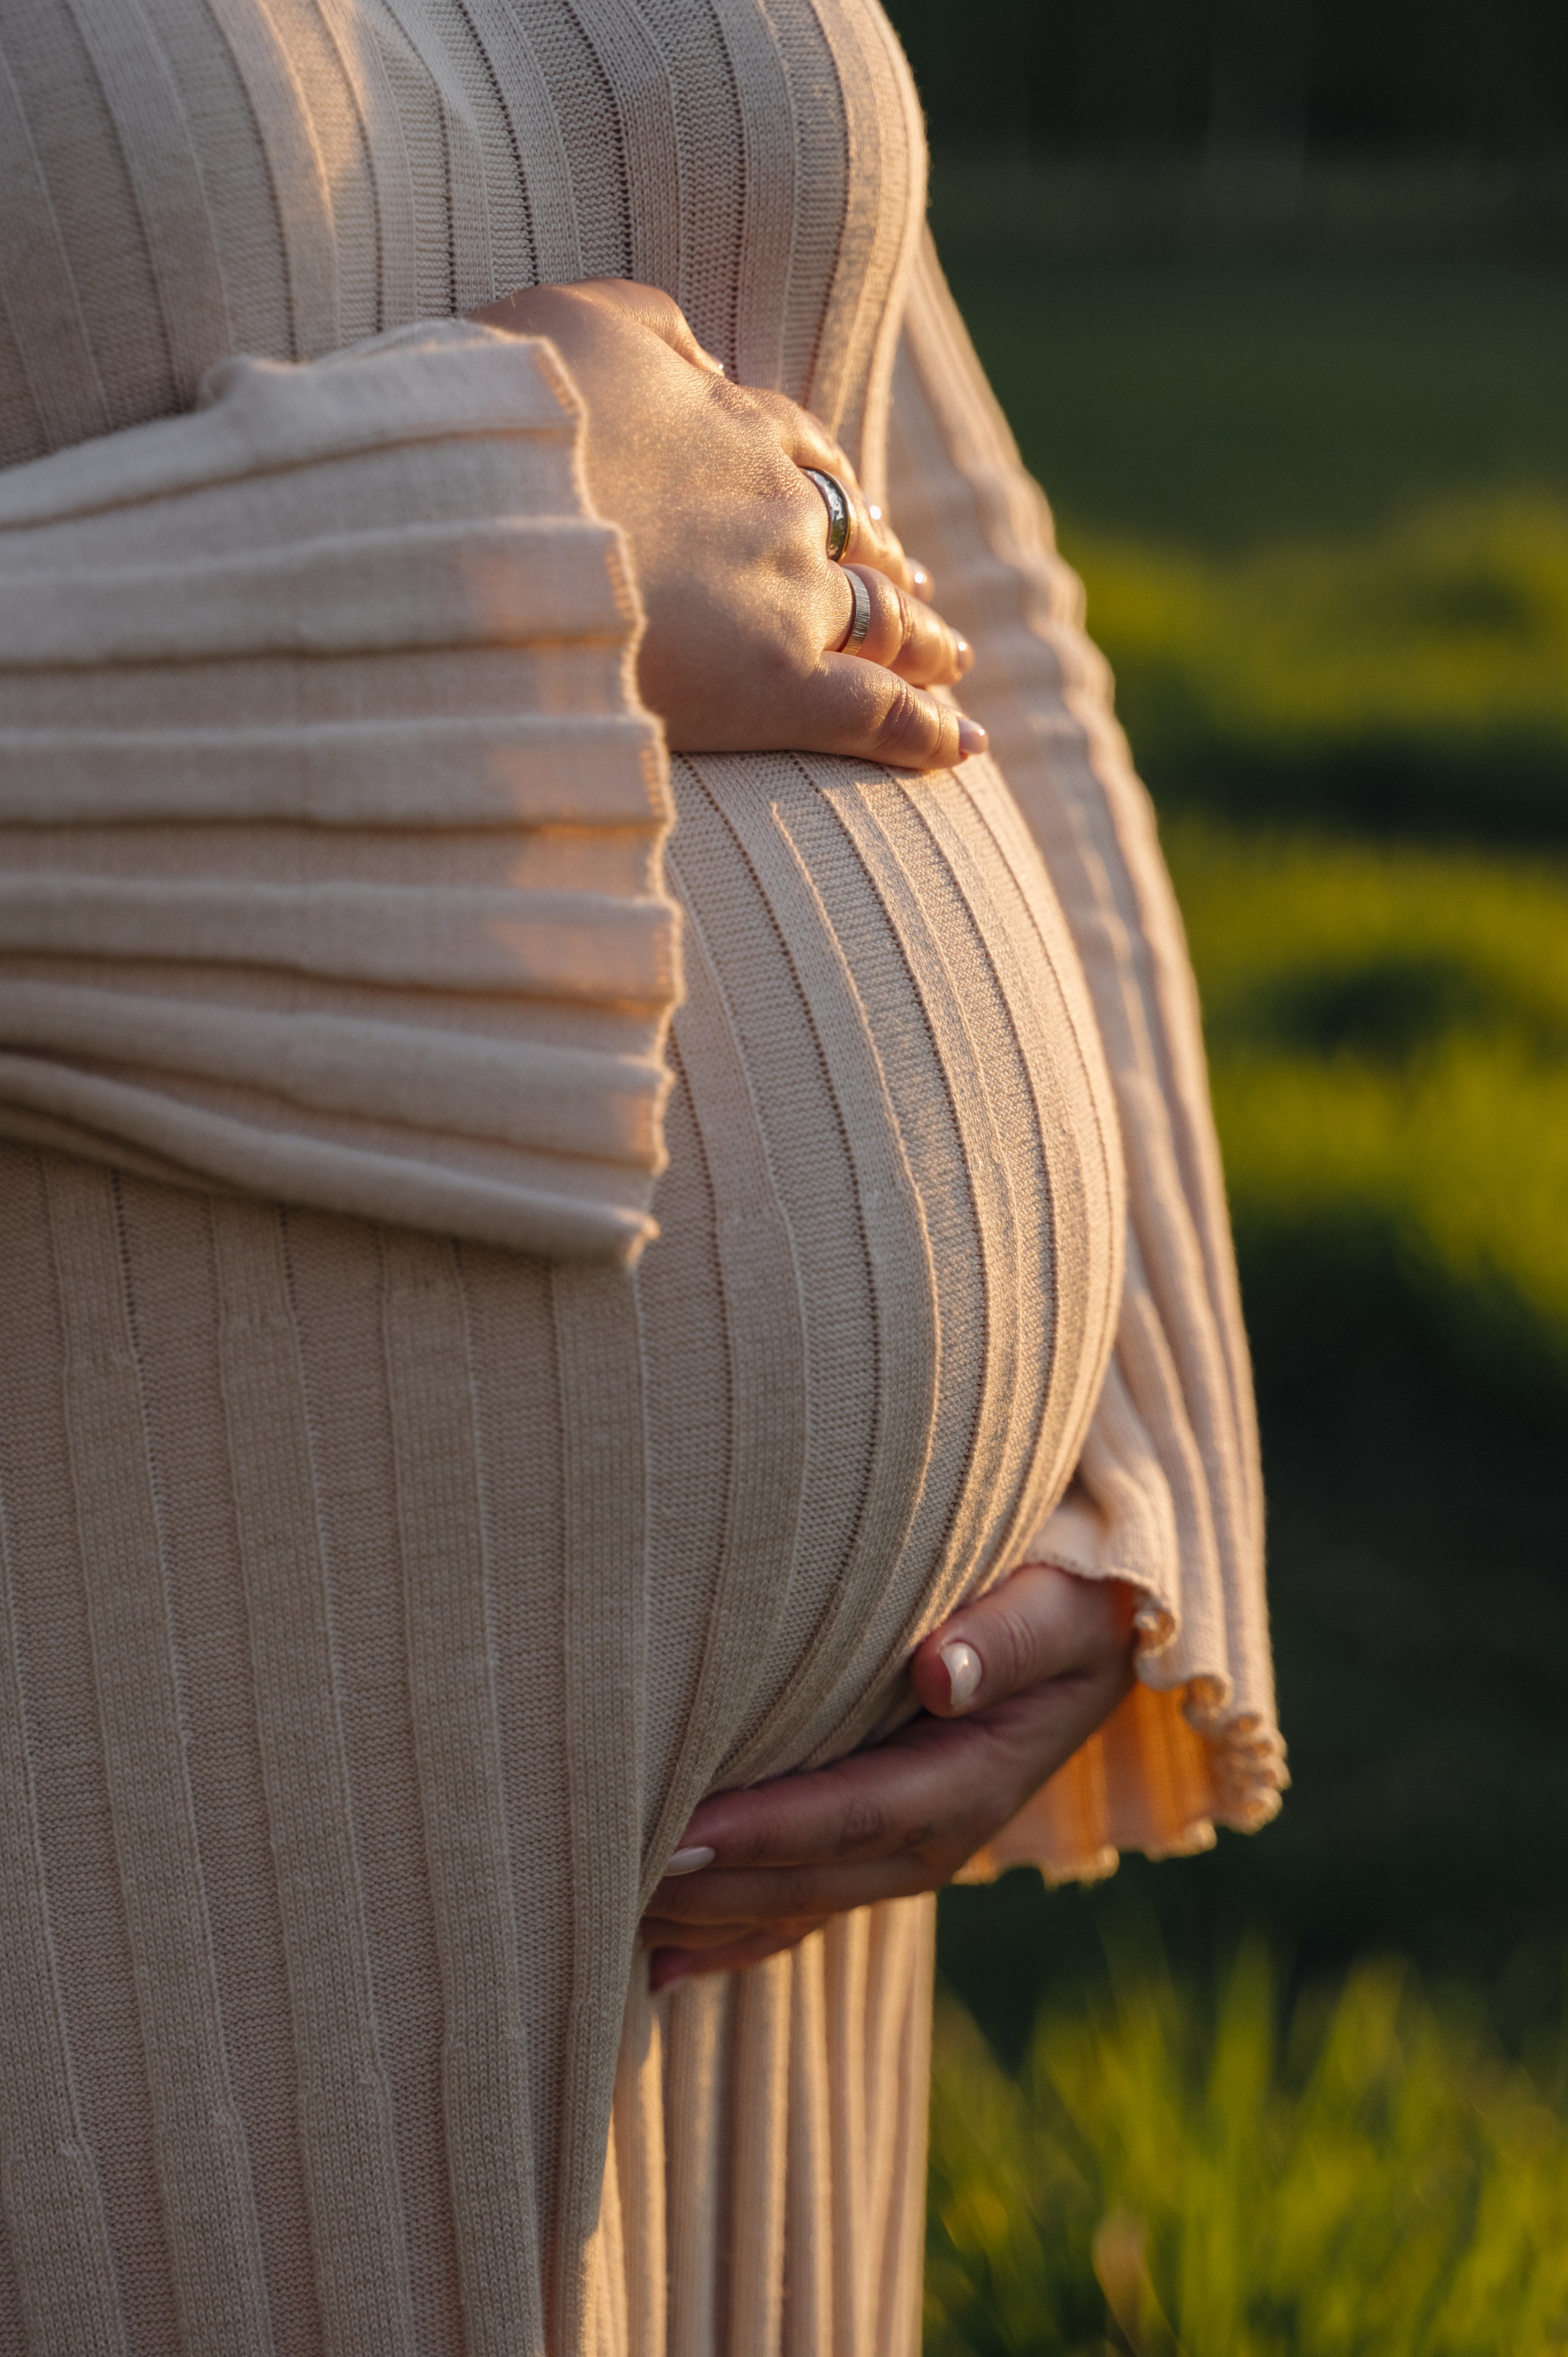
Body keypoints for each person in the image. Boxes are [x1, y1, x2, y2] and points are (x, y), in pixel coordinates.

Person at [0, 3, 1283, 2351]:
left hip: (746, 1962)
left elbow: (915, 522)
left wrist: (1128, 1458)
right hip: (121, 1898)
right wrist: (462, 553)